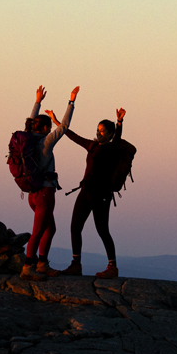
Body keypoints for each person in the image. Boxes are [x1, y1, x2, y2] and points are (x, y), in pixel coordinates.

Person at [49, 108, 126, 279]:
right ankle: (76, 264)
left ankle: (112, 267)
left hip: (102, 194)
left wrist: (119, 122)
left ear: (111, 133)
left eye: (102, 131)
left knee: (102, 230)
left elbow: (118, 138)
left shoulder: (113, 149)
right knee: (75, 227)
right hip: (85, 192)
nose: (98, 133)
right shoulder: (91, 145)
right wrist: (56, 122)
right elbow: (73, 136)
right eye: (97, 130)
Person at [19, 85, 76, 281]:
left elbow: (29, 121)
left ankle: (42, 263)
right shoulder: (45, 142)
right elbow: (65, 126)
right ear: (44, 128)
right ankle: (28, 267)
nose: (51, 130)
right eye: (49, 128)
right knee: (37, 232)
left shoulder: (27, 138)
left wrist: (37, 101)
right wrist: (71, 101)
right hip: (44, 193)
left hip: (33, 194)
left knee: (50, 229)